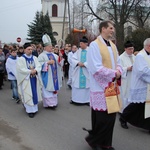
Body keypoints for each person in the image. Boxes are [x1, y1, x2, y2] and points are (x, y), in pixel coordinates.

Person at [85, 20, 122, 150]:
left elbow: (119, 62)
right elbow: (96, 67)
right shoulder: (95, 45)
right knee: (101, 119)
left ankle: (105, 143)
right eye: (111, 28)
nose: (113, 30)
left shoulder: (112, 45)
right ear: (103, 29)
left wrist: (118, 71)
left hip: (111, 86)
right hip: (99, 87)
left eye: (113, 28)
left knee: (110, 117)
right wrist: (114, 74)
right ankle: (95, 141)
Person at [119, 38, 150, 133]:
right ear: (149, 46)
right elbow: (142, 72)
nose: (131, 51)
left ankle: (146, 125)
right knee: (136, 105)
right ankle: (123, 117)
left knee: (144, 106)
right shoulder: (141, 56)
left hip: (146, 85)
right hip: (140, 85)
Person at [16, 43, 42, 118]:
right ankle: (30, 110)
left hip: (34, 78)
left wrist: (36, 70)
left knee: (35, 93)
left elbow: (39, 66)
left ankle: (35, 108)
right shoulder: (21, 59)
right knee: (28, 93)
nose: (30, 51)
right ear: (24, 50)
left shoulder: (35, 58)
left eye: (31, 49)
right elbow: (20, 69)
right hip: (27, 79)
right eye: (28, 49)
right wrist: (30, 71)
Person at [38, 34, 63, 109]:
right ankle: (48, 104)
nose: (51, 47)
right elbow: (39, 65)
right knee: (47, 90)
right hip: (47, 76)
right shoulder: (41, 55)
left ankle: (54, 103)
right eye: (49, 46)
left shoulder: (54, 55)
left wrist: (60, 57)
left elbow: (59, 63)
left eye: (51, 46)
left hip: (54, 77)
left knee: (53, 90)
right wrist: (47, 63)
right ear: (45, 47)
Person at [119, 41, 135, 129]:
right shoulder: (121, 58)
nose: (131, 51)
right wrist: (127, 68)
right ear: (125, 49)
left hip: (133, 80)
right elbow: (119, 69)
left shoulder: (135, 57)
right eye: (129, 49)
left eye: (132, 48)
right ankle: (122, 114)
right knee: (124, 97)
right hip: (125, 80)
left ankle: (129, 115)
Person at [70, 37, 90, 105]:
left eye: (81, 43)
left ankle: (87, 100)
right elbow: (73, 59)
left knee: (87, 86)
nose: (80, 45)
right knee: (76, 84)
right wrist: (78, 63)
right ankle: (76, 99)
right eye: (80, 43)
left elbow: (93, 60)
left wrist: (85, 64)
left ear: (86, 44)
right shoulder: (78, 51)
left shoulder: (90, 51)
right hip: (78, 71)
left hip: (87, 71)